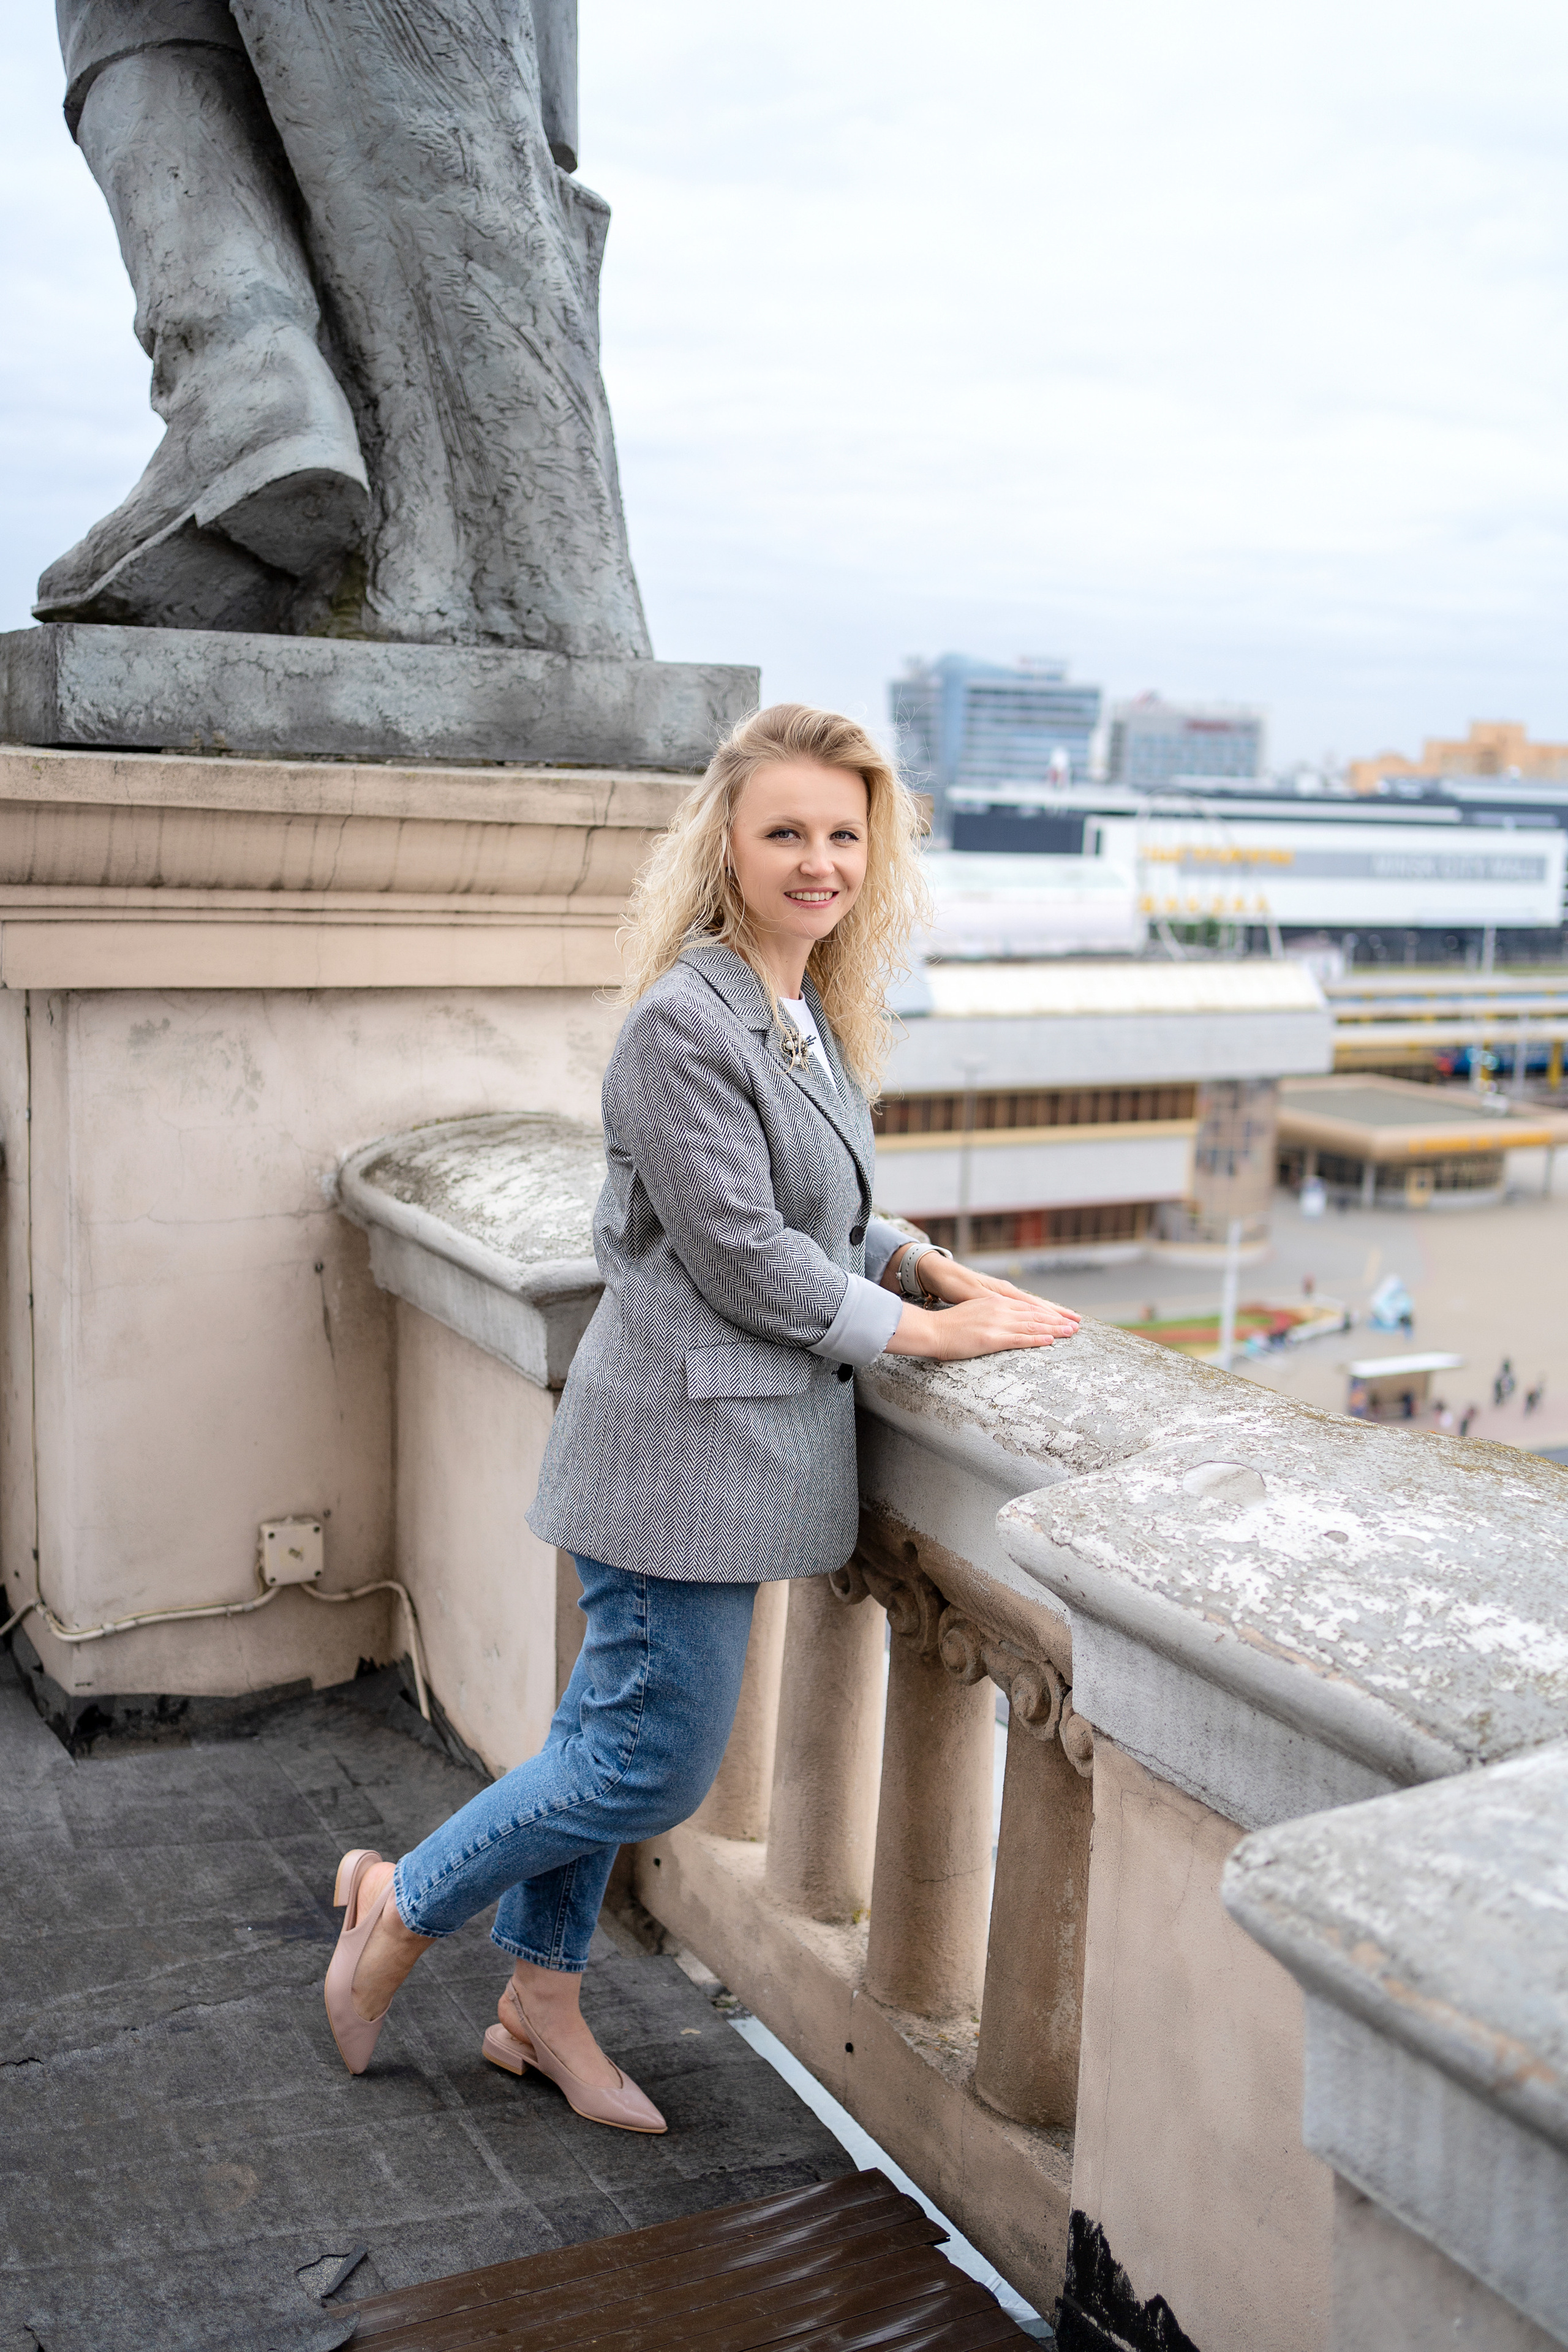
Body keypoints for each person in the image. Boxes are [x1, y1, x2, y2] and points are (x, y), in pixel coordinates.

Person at [321, 704, 1080, 2128]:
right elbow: (740, 1251)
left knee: (597, 1745)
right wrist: (920, 1334)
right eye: (785, 831)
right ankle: (397, 1905)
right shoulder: (685, 1021)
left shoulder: (797, 1008)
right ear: (724, 844)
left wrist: (916, 1260)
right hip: (674, 1458)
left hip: (717, 1454)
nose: (819, 861)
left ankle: (539, 2007)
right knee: (642, 1764)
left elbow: (814, 1210)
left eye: (843, 834)